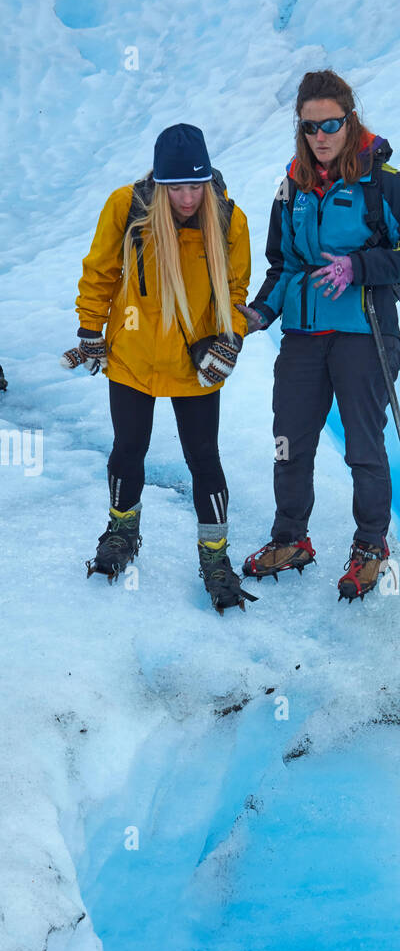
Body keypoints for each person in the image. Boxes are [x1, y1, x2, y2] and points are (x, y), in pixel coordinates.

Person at [237, 69, 400, 601]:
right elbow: (283, 266)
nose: (320, 136)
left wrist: (360, 266)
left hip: (363, 334)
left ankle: (370, 546)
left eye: (330, 124)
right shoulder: (291, 187)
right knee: (289, 444)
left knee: (364, 448)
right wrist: (258, 315)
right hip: (302, 337)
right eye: (309, 127)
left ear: (350, 120)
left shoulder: (385, 183)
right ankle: (290, 539)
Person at [62, 123, 256, 613]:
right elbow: (101, 270)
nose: (189, 198)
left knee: (204, 459)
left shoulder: (229, 221)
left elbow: (235, 293)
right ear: (160, 182)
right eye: (178, 187)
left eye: (197, 185)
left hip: (195, 368)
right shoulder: (126, 208)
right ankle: (121, 534)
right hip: (133, 358)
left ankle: (215, 559)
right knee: (128, 449)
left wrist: (229, 339)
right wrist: (90, 329)